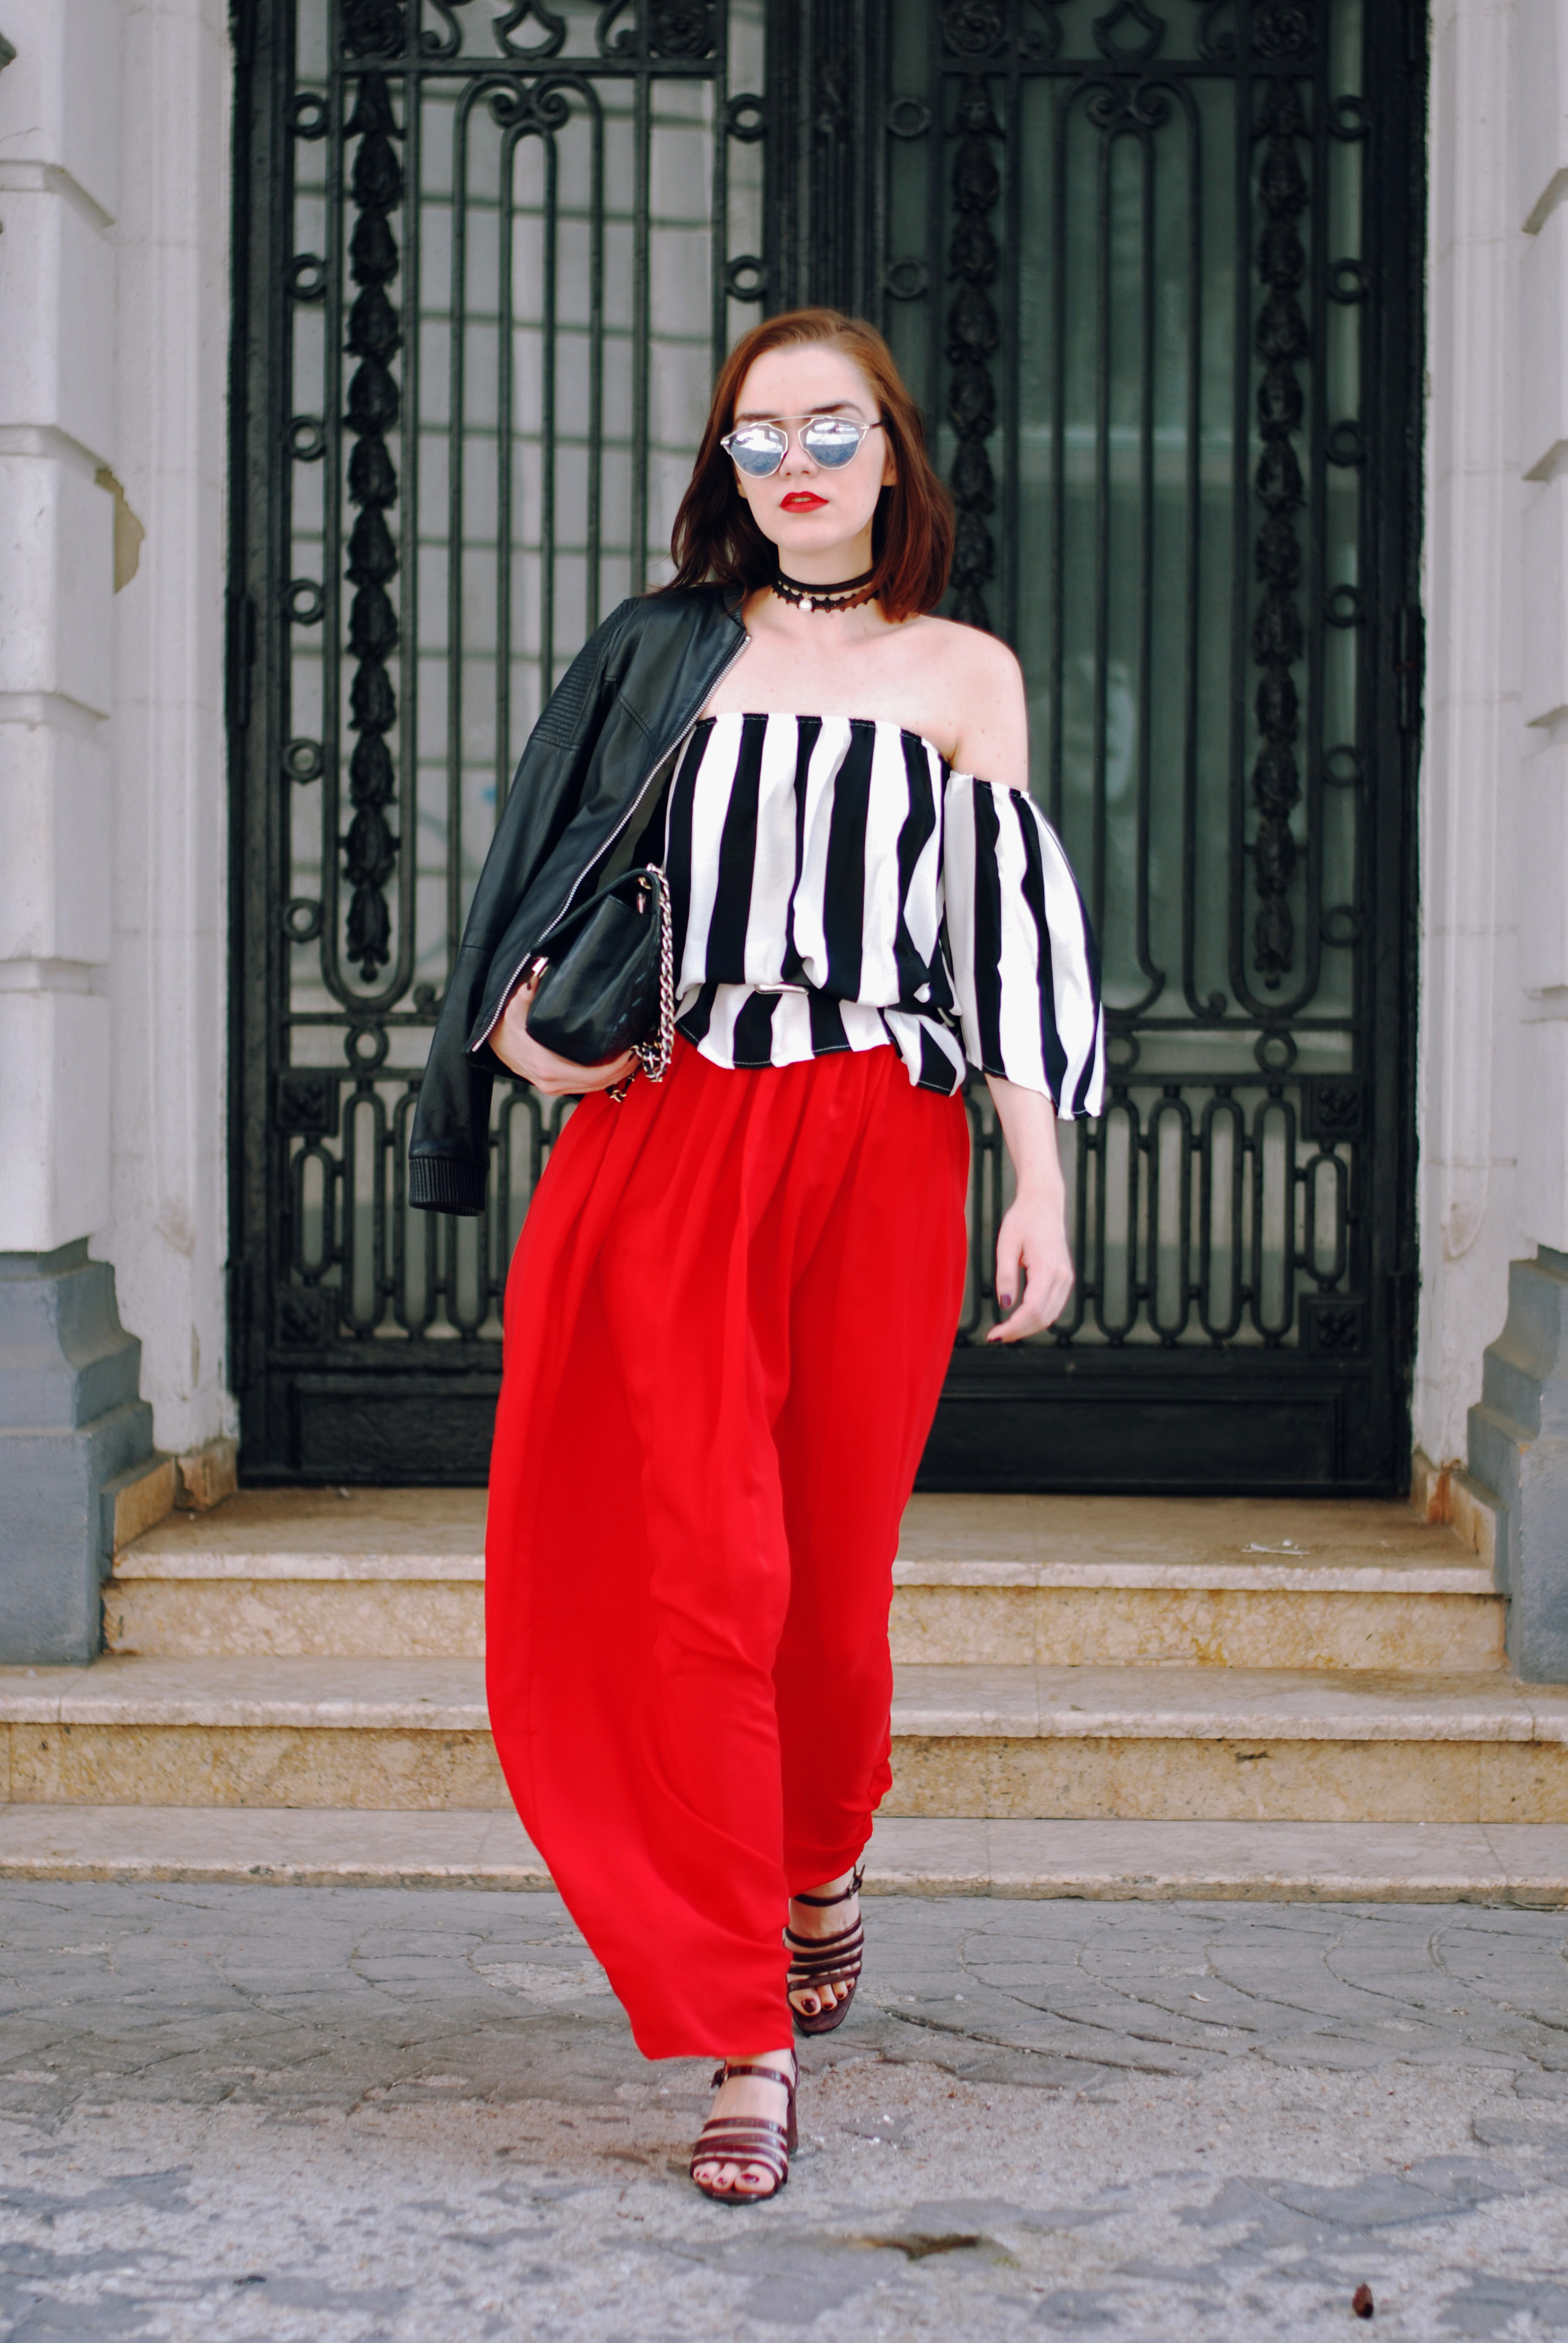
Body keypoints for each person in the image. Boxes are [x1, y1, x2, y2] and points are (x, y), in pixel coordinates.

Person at [409, 307, 1103, 2203]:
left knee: (824, 1584)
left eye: (831, 430)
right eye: (756, 438)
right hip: (670, 1136)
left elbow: (1007, 944)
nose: (795, 466)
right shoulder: (660, 651)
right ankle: (746, 2038)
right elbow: (528, 873)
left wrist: (1037, 1182)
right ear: (726, 470)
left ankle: (820, 1862)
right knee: (690, 1571)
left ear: (895, 451)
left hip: (881, 1145)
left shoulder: (967, 674)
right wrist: (514, 1035)